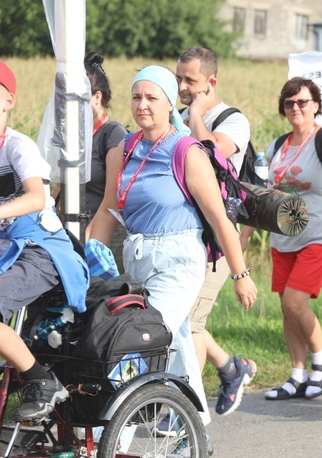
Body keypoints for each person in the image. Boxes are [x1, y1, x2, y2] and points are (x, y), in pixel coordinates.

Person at [88, 65, 258, 427]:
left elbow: (218, 218)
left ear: (169, 105)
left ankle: (119, 429)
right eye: (136, 97)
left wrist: (240, 274)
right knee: (177, 341)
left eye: (152, 98)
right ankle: (196, 432)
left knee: (136, 338)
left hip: (179, 260)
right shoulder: (123, 150)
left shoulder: (185, 151)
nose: (142, 105)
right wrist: (84, 257)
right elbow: (107, 210)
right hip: (136, 261)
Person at [0, 61, 89, 422]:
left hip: (42, 249)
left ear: (8, 101)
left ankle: (40, 380)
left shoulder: (17, 146)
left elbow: (38, 197)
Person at [175, 46, 256, 417]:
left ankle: (186, 412)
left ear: (211, 83)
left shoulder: (233, 121)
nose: (182, 87)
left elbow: (211, 152)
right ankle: (231, 369)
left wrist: (194, 115)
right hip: (178, 234)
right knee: (175, 319)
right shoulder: (175, 115)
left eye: (190, 81)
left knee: (190, 323)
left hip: (216, 240)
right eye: (178, 79)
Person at [262, 77, 322, 401]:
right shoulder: (276, 146)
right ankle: (297, 374)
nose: (296, 108)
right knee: (286, 310)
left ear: (315, 104)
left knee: (294, 302)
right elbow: (264, 195)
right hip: (283, 236)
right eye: (290, 103)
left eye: (303, 101)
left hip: (319, 233)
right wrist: (245, 234)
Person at [82, 52, 128, 271]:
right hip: (75, 226)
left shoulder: (113, 134)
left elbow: (113, 194)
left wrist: (92, 236)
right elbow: (62, 188)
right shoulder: (76, 135)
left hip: (103, 233)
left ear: (97, 97)